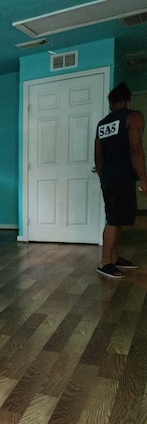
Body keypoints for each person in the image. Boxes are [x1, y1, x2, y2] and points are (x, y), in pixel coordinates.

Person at [94, 82, 147, 279]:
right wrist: (144, 179)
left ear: (111, 102)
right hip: (121, 176)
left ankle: (113, 257)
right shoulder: (134, 116)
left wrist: (103, 178)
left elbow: (98, 157)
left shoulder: (103, 124)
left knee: (117, 217)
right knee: (115, 220)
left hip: (109, 177)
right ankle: (105, 261)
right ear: (128, 100)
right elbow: (136, 150)